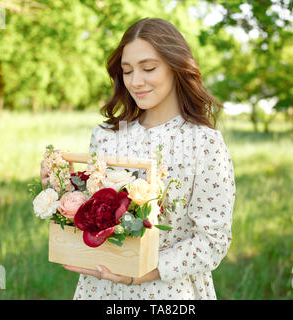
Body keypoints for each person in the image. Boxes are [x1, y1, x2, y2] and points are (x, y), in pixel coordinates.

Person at [40, 17, 236, 300]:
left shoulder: (203, 143)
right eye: (128, 71)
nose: (136, 81)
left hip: (168, 290)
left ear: (175, 66)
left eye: (149, 68)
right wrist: (57, 187)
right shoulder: (106, 136)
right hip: (101, 288)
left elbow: (213, 242)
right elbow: (91, 216)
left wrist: (144, 272)